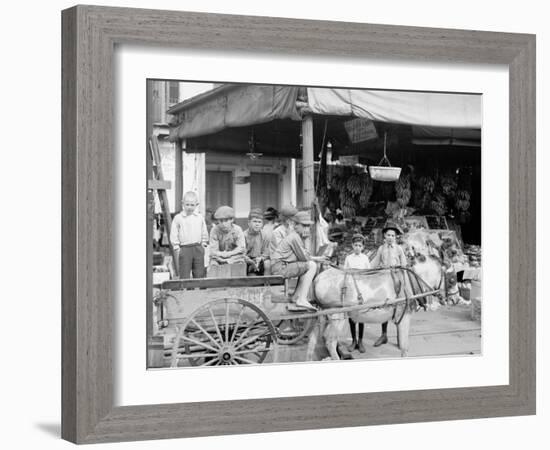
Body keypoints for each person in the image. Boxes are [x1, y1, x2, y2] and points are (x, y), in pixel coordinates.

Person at [271, 211, 327, 311]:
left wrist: (318, 258)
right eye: (304, 226)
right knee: (311, 265)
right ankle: (301, 299)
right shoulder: (294, 237)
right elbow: (304, 257)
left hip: (282, 266)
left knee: (306, 266)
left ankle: (296, 296)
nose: (307, 229)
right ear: (295, 225)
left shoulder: (296, 236)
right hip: (280, 268)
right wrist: (315, 259)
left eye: (308, 226)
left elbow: (303, 255)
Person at [370, 222, 408, 347]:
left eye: (393, 235)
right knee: (385, 305)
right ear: (384, 237)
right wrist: (368, 269)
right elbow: (374, 263)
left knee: (399, 305)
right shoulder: (382, 248)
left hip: (396, 278)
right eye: (388, 235)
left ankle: (400, 336)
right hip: (384, 279)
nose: (390, 237)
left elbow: (404, 264)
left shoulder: (398, 249)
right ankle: (384, 334)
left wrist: (399, 268)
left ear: (396, 237)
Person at [169, 191, 209, 279]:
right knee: (184, 272)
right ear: (182, 203)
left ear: (196, 205)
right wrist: (176, 247)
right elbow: (174, 233)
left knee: (199, 272)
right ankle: (185, 290)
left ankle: (199, 290)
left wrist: (203, 243)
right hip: (185, 248)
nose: (189, 207)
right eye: (187, 204)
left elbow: (204, 231)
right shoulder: (178, 218)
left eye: (192, 205)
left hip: (198, 247)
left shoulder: (199, 217)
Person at [343, 233, 371, 352]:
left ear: (363, 247)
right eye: (355, 245)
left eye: (360, 245)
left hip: (362, 290)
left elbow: (369, 274)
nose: (357, 247)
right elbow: (344, 272)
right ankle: (354, 340)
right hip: (351, 288)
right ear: (352, 245)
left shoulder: (365, 258)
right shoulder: (349, 258)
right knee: (352, 315)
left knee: (361, 315)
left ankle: (360, 341)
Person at [243, 208, 269, 275]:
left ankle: (267, 284)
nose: (257, 224)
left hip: (260, 260)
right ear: (249, 223)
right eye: (254, 221)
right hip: (247, 261)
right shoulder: (244, 235)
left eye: (259, 222)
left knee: (268, 263)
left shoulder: (265, 235)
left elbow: (266, 252)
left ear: (262, 224)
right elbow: (242, 253)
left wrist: (261, 258)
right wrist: (250, 261)